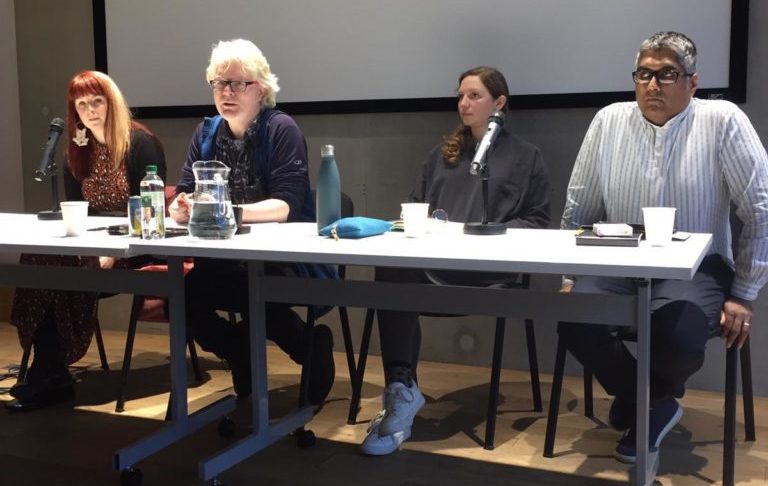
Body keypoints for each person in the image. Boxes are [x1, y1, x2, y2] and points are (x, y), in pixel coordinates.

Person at [558, 31, 768, 463]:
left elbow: (760, 208)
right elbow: (579, 204)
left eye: (667, 74)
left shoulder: (722, 120)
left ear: (692, 82)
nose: (653, 85)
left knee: (679, 331)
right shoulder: (609, 120)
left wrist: (745, 292)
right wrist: (569, 275)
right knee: (575, 319)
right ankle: (651, 400)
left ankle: (643, 400)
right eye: (644, 74)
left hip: (698, 267)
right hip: (619, 259)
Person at [360, 66, 552, 455]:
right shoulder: (442, 154)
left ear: (499, 103)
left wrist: (490, 235)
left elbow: (537, 220)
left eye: (475, 95)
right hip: (435, 265)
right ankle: (402, 388)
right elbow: (413, 208)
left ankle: (401, 395)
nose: (464, 103)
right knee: (390, 271)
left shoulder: (526, 156)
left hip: (491, 273)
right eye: (460, 95)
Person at [168, 39, 335, 404]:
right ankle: (240, 352)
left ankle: (311, 349)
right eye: (219, 83)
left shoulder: (280, 129)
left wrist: (229, 211)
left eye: (237, 83)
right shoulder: (207, 133)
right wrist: (181, 207)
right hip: (227, 258)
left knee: (257, 293)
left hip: (286, 259)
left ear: (261, 89)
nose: (226, 92)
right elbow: (184, 191)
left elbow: (286, 206)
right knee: (182, 296)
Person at [6, 70, 166, 412]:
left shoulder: (140, 144)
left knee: (53, 266)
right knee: (39, 257)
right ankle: (48, 369)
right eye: (82, 104)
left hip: (135, 247)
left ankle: (49, 374)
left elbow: (152, 215)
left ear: (112, 103)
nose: (90, 109)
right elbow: (79, 214)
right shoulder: (76, 152)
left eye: (97, 101)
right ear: (74, 111)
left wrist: (111, 251)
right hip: (91, 248)